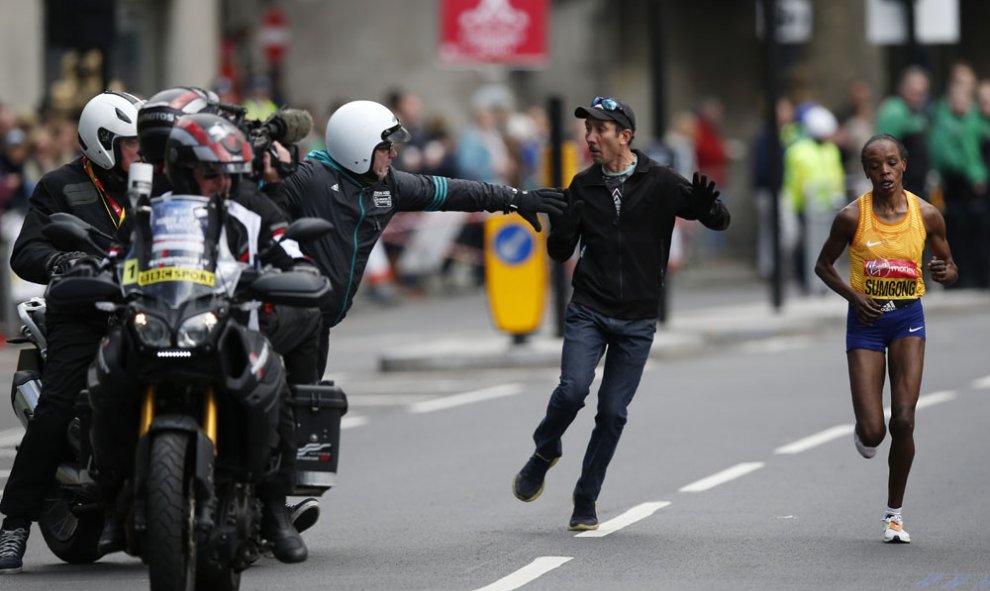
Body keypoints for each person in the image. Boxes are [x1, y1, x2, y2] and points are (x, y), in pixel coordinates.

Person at [89, 101, 319, 563]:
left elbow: (288, 248)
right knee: (106, 375)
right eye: (212, 174)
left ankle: (274, 509)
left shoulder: (251, 206)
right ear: (184, 170)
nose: (223, 184)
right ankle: (110, 499)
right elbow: (115, 257)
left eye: (229, 173)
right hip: (162, 319)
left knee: (275, 387)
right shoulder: (149, 210)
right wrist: (90, 272)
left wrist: (299, 271)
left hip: (229, 325)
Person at [511, 96, 730, 531]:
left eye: (600, 130)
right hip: (589, 309)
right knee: (572, 391)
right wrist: (560, 227)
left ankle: (585, 496)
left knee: (612, 413)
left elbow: (719, 220)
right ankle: (545, 449)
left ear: (625, 136)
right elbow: (560, 252)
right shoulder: (583, 185)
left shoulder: (662, 182)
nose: (590, 138)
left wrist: (707, 208)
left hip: (637, 319)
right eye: (587, 129)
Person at [270, 99, 567, 377]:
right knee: (271, 410)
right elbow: (254, 188)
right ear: (357, 146)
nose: (394, 154)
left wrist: (515, 198)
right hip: (285, 315)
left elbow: (454, 192)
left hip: (320, 322)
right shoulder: (308, 178)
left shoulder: (390, 185)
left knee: (307, 414)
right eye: (386, 147)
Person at [0, 90, 144, 575]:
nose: (142, 151)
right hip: (86, 311)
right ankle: (14, 522)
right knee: (58, 404)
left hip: (153, 306)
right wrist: (61, 260)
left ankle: (263, 505)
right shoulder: (59, 186)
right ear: (103, 141)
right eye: (131, 142)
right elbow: (26, 253)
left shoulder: (160, 183)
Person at [814, 133, 957, 544]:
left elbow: (949, 265)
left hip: (908, 319)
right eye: (875, 166)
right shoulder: (850, 217)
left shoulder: (927, 214)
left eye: (891, 163)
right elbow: (823, 266)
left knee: (905, 419)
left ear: (904, 165)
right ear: (866, 171)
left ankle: (893, 514)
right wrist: (854, 297)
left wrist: (947, 273)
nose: (885, 172)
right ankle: (864, 431)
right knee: (875, 430)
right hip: (866, 322)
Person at [875, 66, 931, 198]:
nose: (918, 95)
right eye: (914, 91)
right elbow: (882, 150)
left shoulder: (917, 113)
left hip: (917, 188)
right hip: (901, 190)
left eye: (921, 93)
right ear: (903, 87)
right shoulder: (895, 111)